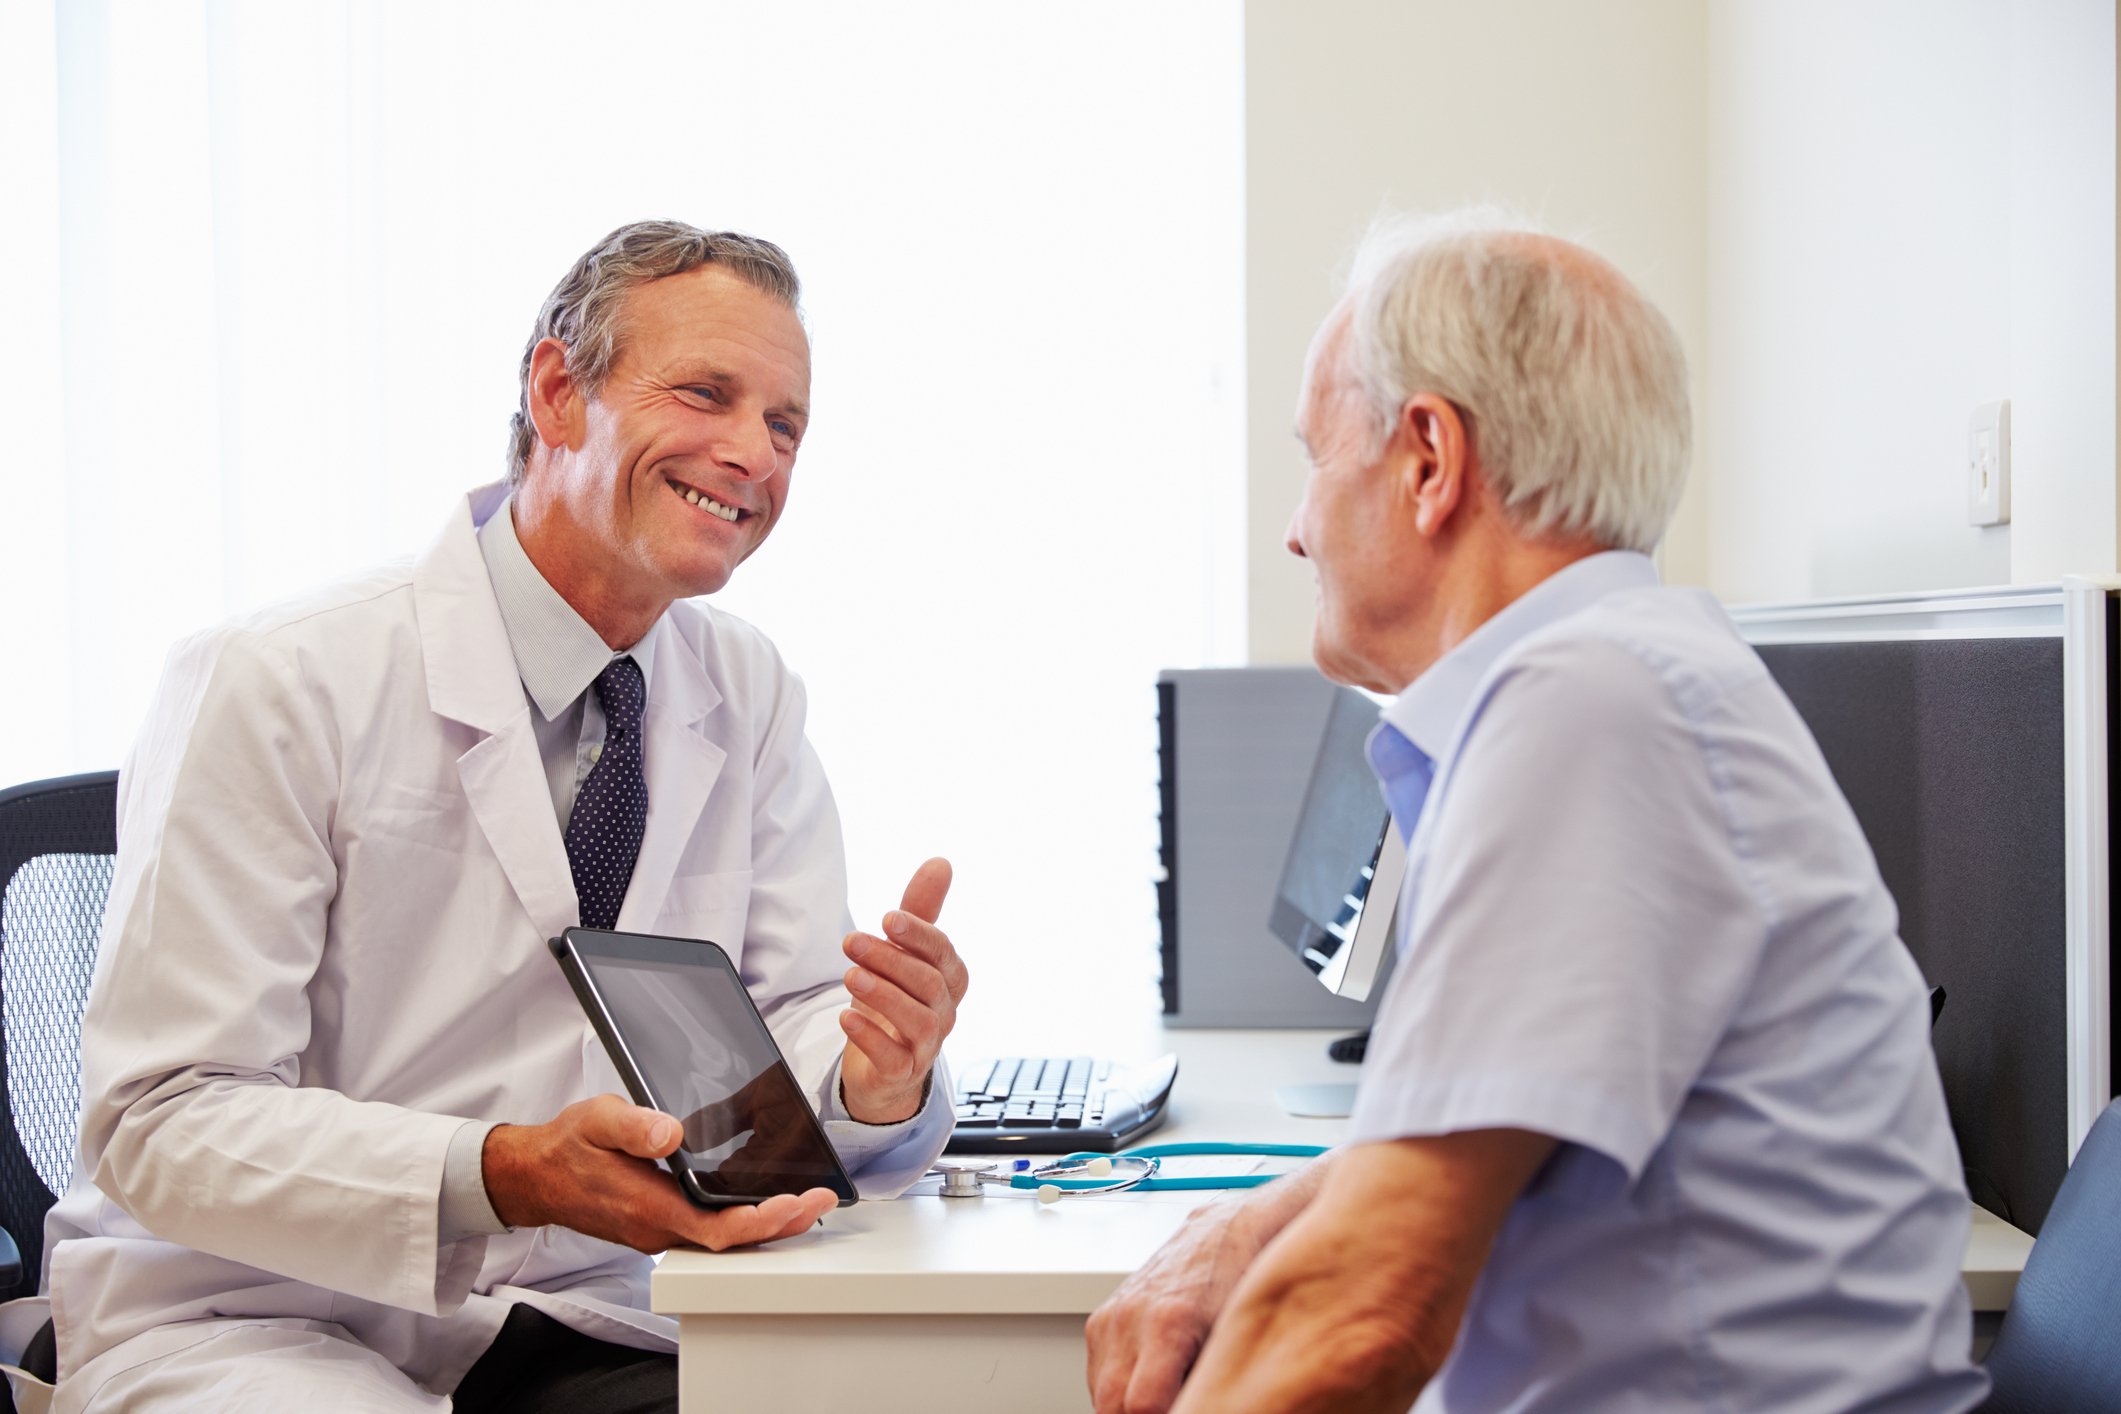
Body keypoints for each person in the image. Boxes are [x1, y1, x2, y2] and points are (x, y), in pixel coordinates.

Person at [34, 221, 968, 1412]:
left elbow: (779, 1020)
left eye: (785, 424)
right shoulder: (277, 675)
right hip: (260, 1314)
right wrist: (505, 1171)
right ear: (556, 391)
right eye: (707, 394)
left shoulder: (746, 688)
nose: (753, 453)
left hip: (587, 1303)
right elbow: (160, 1122)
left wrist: (872, 1074)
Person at [1085, 212, 1988, 1413]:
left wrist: (1291, 1252)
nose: (1296, 528)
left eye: (1315, 455)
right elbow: (1488, 1131)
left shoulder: (1587, 705)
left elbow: (1366, 1310)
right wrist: (1250, 1221)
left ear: (1427, 461)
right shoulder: (1624, 674)